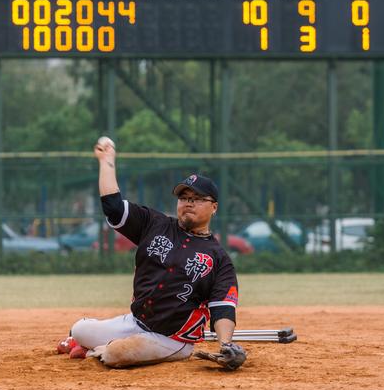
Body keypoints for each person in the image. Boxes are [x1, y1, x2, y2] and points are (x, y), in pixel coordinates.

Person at [55, 137, 246, 369]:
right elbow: (114, 208)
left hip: (172, 338)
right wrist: (107, 161)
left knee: (115, 354)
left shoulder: (219, 258)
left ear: (214, 207)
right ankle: (89, 343)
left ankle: (101, 348)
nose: (188, 203)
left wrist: (226, 344)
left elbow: (223, 307)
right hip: (135, 322)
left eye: (197, 199)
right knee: (80, 328)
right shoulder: (155, 224)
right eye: (184, 197)